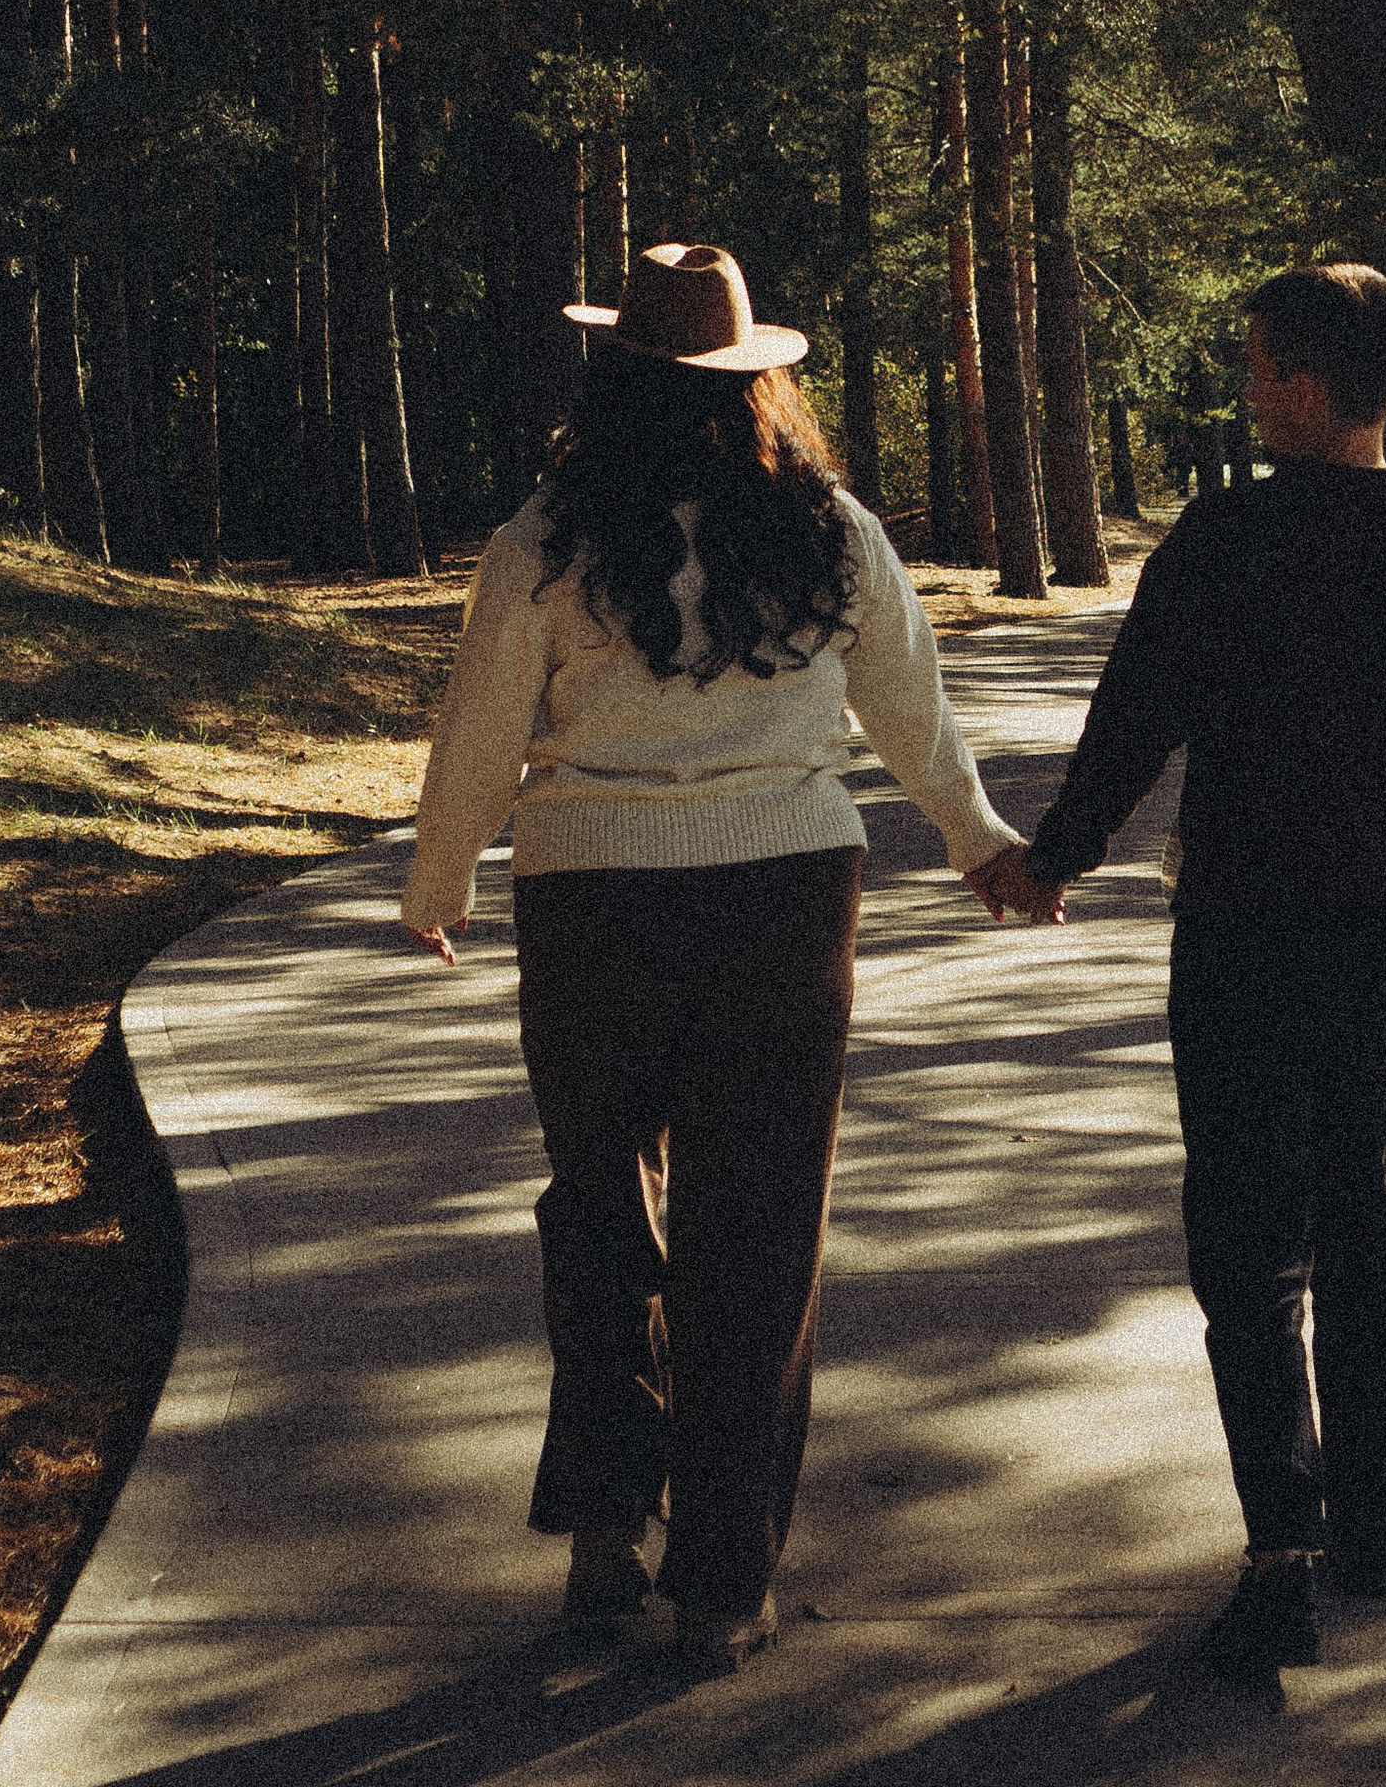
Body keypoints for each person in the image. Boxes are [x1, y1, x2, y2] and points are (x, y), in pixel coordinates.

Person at [401, 242, 1029, 1672]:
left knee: (602, 1211)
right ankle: (724, 1581)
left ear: (612, 373)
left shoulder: (547, 538)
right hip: (784, 901)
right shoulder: (826, 530)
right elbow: (910, 708)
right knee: (757, 1235)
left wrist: (438, 886)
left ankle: (608, 1524)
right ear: (760, 384)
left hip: (593, 904)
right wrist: (980, 844)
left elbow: (482, 731)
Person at [972, 261, 1386, 1691]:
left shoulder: (1223, 543)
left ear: (1303, 386)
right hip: (1374, 942)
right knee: (1365, 1220)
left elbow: (1133, 723)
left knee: (1244, 1244)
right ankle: (1371, 1526)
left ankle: (1281, 1551)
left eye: (1255, 363)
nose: (1244, 385)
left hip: (1237, 937)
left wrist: (1053, 863)